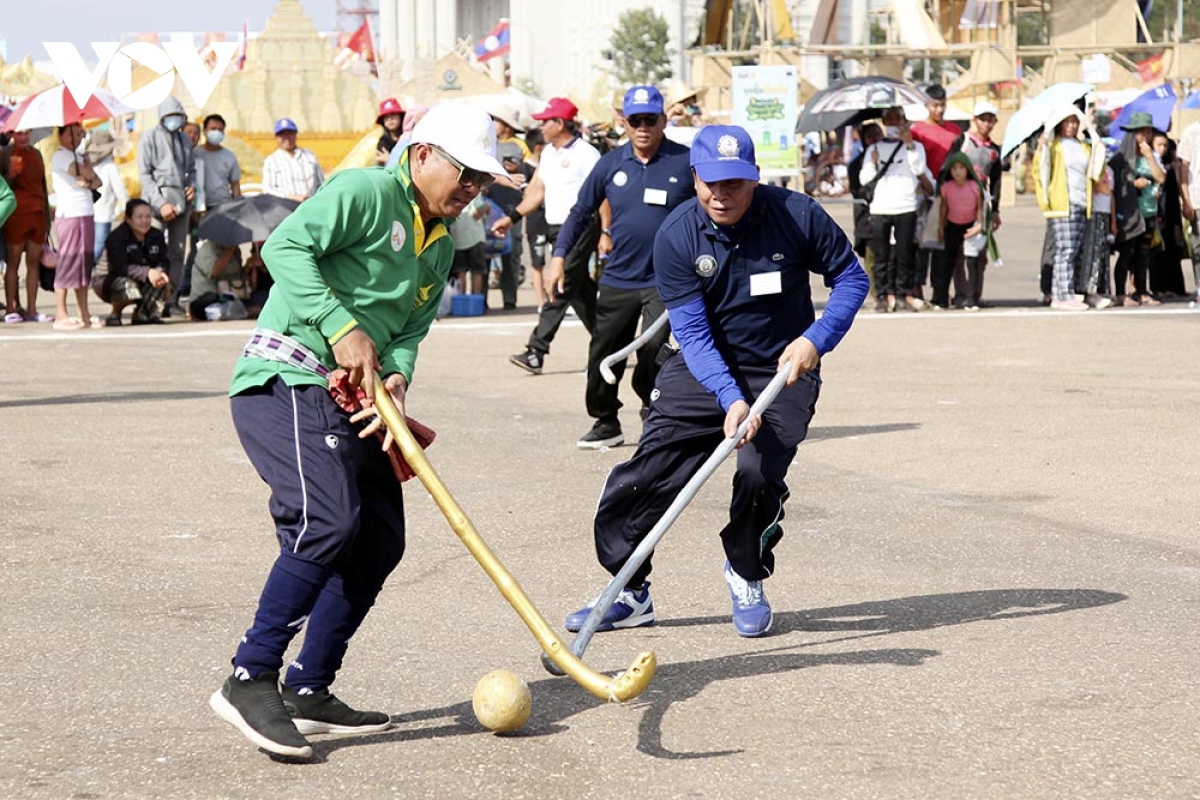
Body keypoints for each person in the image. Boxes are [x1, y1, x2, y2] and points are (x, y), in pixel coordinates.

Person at [209, 102, 509, 761]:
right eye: (466, 172)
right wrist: (340, 325)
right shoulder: (366, 191)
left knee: (378, 539)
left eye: (483, 181)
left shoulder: (439, 245)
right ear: (422, 154)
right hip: (288, 378)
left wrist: (397, 376)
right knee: (329, 521)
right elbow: (286, 246)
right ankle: (247, 677)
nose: (472, 189)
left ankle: (308, 689)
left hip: (359, 399)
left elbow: (408, 332)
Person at [563, 125, 869, 638]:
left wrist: (816, 339)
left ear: (754, 179)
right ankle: (630, 589)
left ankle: (745, 572)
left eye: (734, 183)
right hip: (704, 365)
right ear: (695, 178)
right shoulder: (677, 235)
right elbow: (693, 333)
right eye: (711, 183)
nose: (721, 195)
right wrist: (730, 399)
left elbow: (851, 278)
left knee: (757, 475)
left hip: (782, 367)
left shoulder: (797, 216)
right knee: (642, 477)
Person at [546, 85, 694, 448]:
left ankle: (652, 406)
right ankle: (605, 420)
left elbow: (712, 207)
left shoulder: (685, 161)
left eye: (651, 119)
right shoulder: (610, 164)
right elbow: (581, 213)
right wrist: (559, 256)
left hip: (667, 279)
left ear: (664, 120)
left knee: (655, 347)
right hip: (619, 277)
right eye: (635, 120)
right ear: (623, 122)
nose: (643, 127)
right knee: (603, 353)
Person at [492, 97, 601, 374]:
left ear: (560, 123)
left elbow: (603, 198)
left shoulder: (587, 155)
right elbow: (537, 191)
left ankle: (536, 351)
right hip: (555, 229)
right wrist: (511, 217)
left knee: (559, 285)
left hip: (580, 227)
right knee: (581, 291)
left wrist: (607, 232)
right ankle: (608, 340)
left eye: (545, 121)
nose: (540, 127)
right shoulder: (548, 154)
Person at [860, 106, 928, 312]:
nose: (893, 123)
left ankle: (901, 294)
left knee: (904, 253)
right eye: (889, 119)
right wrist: (872, 163)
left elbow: (918, 169)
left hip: (905, 205)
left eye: (897, 119)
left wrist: (908, 145)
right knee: (881, 254)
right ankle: (882, 294)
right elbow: (864, 179)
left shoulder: (916, 147)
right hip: (881, 206)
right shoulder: (874, 149)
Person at [1034, 106, 1097, 311]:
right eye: (1067, 121)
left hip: (1081, 200)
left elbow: (1095, 169)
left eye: (1075, 121)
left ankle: (1067, 291)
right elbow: (1039, 171)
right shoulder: (1053, 146)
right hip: (1062, 202)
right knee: (1065, 250)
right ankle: (1062, 294)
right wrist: (1042, 145)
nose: (1071, 125)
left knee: (1075, 250)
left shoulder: (1082, 146)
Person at [137, 97, 196, 310]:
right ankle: (151, 299)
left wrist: (192, 186)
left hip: (181, 203)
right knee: (152, 251)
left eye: (178, 116)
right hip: (155, 204)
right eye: (170, 116)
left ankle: (172, 298)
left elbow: (192, 169)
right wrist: (161, 203)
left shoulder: (185, 140)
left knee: (178, 252)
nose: (174, 120)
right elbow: (145, 175)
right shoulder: (149, 138)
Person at [944, 101, 1003, 309]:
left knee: (979, 252)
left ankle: (975, 294)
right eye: (982, 119)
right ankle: (961, 293)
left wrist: (995, 211)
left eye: (990, 120)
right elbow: (946, 170)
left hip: (980, 205)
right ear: (974, 119)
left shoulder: (994, 150)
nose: (986, 124)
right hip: (957, 204)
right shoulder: (962, 141)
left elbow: (996, 182)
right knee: (959, 253)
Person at [1109, 111, 1166, 307]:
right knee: (1127, 254)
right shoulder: (1121, 158)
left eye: (1148, 132)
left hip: (1148, 211)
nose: (1145, 136)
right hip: (1129, 214)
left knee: (1143, 256)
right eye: (1141, 132)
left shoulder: (1151, 156)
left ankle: (1141, 291)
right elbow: (1114, 185)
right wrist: (1133, 184)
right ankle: (1120, 293)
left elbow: (1161, 178)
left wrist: (1150, 156)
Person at [50, 123, 102, 330]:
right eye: (71, 134)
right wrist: (86, 174)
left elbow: (96, 182)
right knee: (68, 262)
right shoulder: (61, 156)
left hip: (85, 212)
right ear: (61, 135)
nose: (76, 138)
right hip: (70, 214)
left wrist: (86, 167)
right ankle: (60, 314)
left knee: (83, 264)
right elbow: (86, 175)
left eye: (80, 134)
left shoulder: (80, 157)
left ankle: (84, 313)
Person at [189, 113, 244, 304]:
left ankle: (232, 289)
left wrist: (238, 211)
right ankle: (193, 292)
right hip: (201, 211)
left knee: (231, 251)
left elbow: (235, 186)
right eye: (213, 129)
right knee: (200, 252)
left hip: (224, 210)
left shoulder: (228, 156)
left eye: (220, 130)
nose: (216, 133)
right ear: (205, 131)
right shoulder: (196, 155)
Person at [91, 198, 170, 325]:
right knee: (128, 287)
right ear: (128, 219)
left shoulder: (157, 235)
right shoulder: (116, 237)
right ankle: (115, 313)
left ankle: (143, 313)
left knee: (164, 283)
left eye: (148, 216)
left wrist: (161, 272)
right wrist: (148, 272)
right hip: (108, 280)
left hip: (142, 277)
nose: (144, 221)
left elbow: (164, 259)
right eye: (139, 217)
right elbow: (120, 267)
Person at [1, 128, 50, 322]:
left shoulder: (36, 153)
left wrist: (47, 218)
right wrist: (10, 176)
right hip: (15, 214)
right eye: (19, 134)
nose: (23, 137)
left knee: (33, 263)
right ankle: (11, 308)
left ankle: (31, 309)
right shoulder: (5, 154)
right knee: (13, 264)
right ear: (12, 134)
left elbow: (43, 187)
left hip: (37, 213)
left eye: (26, 133)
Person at [935, 152, 984, 310]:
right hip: (952, 225)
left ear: (967, 170)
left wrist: (979, 226)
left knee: (971, 262)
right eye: (954, 168)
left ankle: (971, 298)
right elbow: (944, 208)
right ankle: (942, 298)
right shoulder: (947, 187)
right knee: (947, 262)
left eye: (961, 168)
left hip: (970, 226)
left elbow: (980, 208)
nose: (957, 172)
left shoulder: (975, 187)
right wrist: (941, 227)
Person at [87, 130, 129, 265]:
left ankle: (86, 274)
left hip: (93, 214)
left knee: (93, 249)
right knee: (96, 249)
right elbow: (121, 193)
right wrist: (123, 209)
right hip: (101, 216)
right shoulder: (110, 167)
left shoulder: (91, 166)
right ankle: (85, 273)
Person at [262, 118, 324, 202]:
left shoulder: (309, 155)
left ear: (295, 134)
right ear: (276, 137)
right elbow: (268, 189)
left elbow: (321, 183)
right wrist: (290, 196)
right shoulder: (271, 161)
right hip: (286, 207)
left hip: (310, 205)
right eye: (282, 135)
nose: (287, 138)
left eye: (290, 133)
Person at [1175, 118, 1200, 305]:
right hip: (1197, 197)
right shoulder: (1191, 132)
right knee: (1198, 246)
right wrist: (1185, 199)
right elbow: (1183, 167)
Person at [374, 98, 405, 165]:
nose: (390, 119)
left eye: (393, 115)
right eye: (386, 117)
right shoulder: (382, 143)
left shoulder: (409, 138)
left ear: (400, 117)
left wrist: (391, 160)